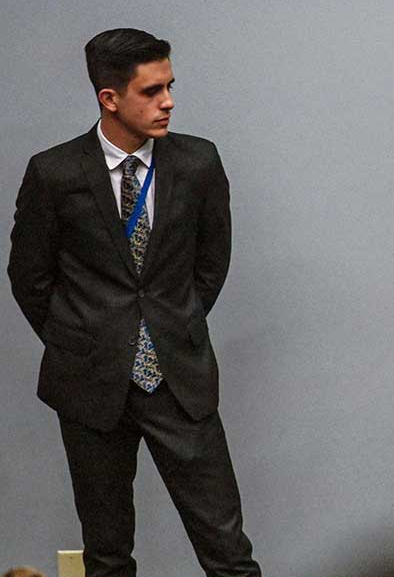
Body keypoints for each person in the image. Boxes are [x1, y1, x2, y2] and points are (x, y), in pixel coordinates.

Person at [7, 29, 261, 576]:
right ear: (110, 98)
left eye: (170, 86)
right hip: (90, 382)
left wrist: (173, 324)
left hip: (177, 377)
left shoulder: (197, 162)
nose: (168, 101)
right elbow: (29, 277)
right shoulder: (54, 173)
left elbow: (212, 262)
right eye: (151, 91)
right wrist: (81, 338)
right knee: (106, 553)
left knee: (227, 551)